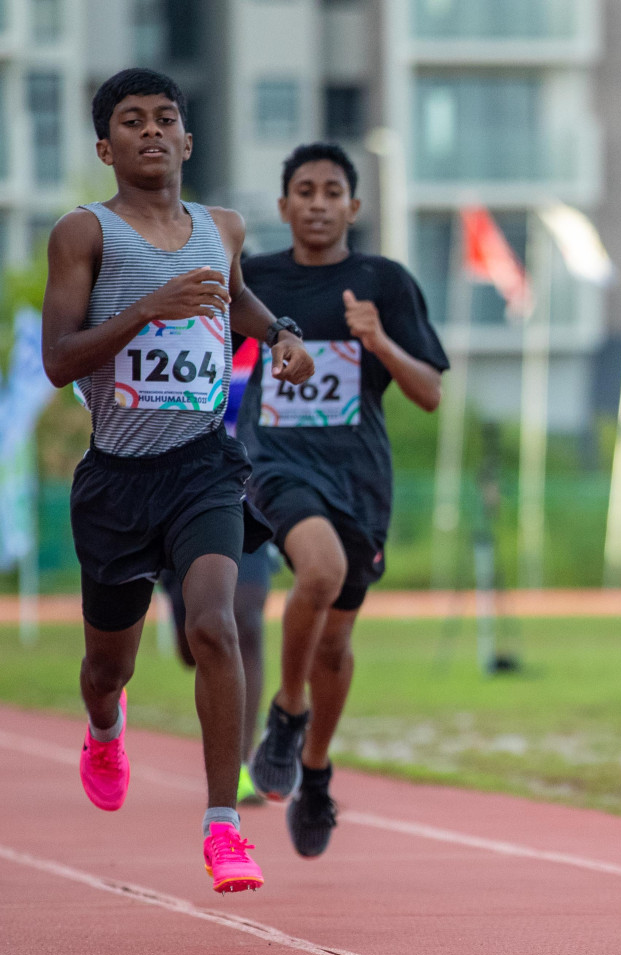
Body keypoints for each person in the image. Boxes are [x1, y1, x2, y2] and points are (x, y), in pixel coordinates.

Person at [41, 68, 314, 893]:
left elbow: (234, 301)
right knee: (106, 670)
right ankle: (102, 728)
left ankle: (223, 825)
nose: (151, 131)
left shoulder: (221, 227)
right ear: (105, 146)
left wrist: (283, 337)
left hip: (202, 465)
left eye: (166, 119)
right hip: (118, 479)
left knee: (216, 625)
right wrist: (143, 312)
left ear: (189, 140)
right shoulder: (83, 233)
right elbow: (59, 360)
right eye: (132, 121)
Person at [242, 142, 448, 857]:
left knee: (336, 640)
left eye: (333, 191)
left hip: (359, 477)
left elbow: (429, 393)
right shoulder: (255, 278)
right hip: (275, 462)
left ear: (354, 207)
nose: (319, 203)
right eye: (305, 190)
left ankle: (317, 770)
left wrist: (379, 340)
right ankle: (287, 712)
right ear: (284, 206)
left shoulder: (382, 281)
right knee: (318, 573)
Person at [159, 333, 275, 808]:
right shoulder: (174, 333)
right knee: (197, 643)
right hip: (171, 498)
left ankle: (241, 767)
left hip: (242, 501)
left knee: (244, 624)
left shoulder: (265, 345)